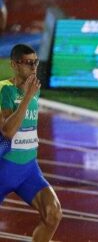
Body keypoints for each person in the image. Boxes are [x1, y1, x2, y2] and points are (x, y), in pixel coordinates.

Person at [0, 44, 62, 241]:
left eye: (35, 62)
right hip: (3, 169)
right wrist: (26, 97)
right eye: (28, 63)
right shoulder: (4, 90)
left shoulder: (35, 89)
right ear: (14, 65)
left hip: (28, 169)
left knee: (53, 214)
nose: (34, 67)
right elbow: (7, 132)